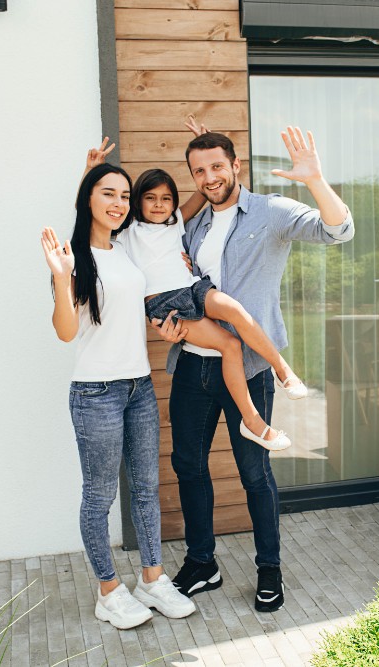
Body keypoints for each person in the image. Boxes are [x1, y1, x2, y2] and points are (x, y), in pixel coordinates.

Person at [151, 125, 354, 613]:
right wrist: (168, 325)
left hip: (251, 368)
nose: (209, 177)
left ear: (236, 165)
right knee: (188, 467)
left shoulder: (272, 211)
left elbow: (338, 230)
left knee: (254, 472)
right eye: (199, 170)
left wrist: (315, 180)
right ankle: (203, 564)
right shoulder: (192, 224)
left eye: (218, 166)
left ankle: (270, 570)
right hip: (193, 367)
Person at [40, 163, 196, 630]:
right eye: (108, 194)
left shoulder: (127, 250)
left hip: (139, 386)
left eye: (125, 196)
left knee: (147, 490)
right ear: (88, 198)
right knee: (100, 495)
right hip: (96, 393)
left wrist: (167, 330)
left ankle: (152, 578)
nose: (119, 203)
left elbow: (141, 305)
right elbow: (65, 332)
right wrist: (62, 279)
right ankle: (108, 591)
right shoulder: (73, 259)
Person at [125, 166, 307, 452]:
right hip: (166, 304)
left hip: (192, 288)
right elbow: (91, 212)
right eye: (150, 198)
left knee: (234, 309)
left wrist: (207, 148)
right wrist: (90, 171)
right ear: (137, 201)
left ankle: (282, 369)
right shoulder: (128, 232)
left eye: (166, 198)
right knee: (230, 345)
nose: (159, 204)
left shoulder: (175, 223)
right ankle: (253, 423)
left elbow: (204, 190)